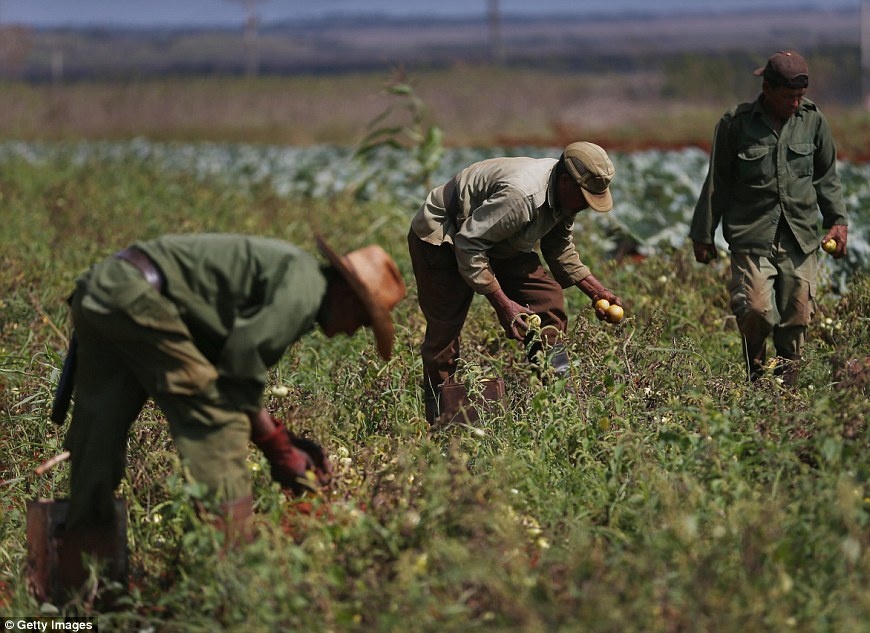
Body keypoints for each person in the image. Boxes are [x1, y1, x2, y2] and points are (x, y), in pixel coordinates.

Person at [59, 232, 406, 543]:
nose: (352, 331)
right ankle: (232, 568)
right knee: (219, 424)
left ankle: (82, 562)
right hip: (137, 298)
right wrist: (278, 447)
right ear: (347, 292)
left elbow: (231, 372)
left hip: (105, 287)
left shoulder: (298, 277)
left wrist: (279, 443)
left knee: (99, 431)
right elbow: (239, 368)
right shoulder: (305, 291)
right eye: (362, 320)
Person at [408, 141, 624, 422]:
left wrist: (597, 291)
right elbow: (469, 245)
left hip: (495, 236)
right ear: (565, 182)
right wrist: (503, 305)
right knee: (444, 335)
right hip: (446, 235)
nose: (586, 205)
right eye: (584, 196)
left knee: (547, 301)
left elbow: (559, 247)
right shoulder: (522, 196)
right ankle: (445, 421)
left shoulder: (565, 197)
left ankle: (558, 403)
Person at [689, 50, 848, 385]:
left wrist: (838, 220)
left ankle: (787, 390)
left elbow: (827, 177)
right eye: (788, 96)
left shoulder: (813, 121)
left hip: (800, 235)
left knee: (798, 317)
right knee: (757, 311)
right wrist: (703, 234)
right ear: (768, 89)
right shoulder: (736, 124)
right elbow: (717, 180)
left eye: (800, 96)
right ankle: (757, 376)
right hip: (752, 234)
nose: (795, 103)